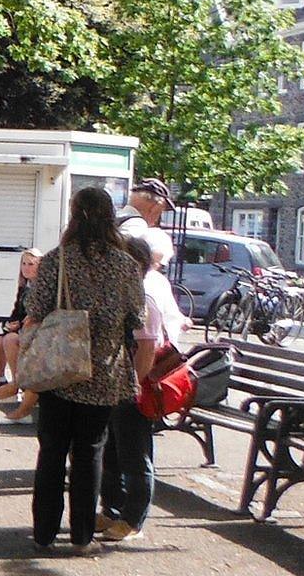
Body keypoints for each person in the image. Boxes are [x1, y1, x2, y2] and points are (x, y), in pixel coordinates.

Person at [25, 184, 146, 553]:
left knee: (52, 452)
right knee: (90, 453)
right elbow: (136, 316)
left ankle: (44, 533)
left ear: (74, 215)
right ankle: (81, 537)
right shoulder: (126, 265)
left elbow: (36, 309)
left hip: (59, 370)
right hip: (102, 373)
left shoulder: (55, 260)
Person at [98, 235, 187, 542]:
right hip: (115, 382)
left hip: (132, 387)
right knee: (111, 450)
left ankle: (133, 518)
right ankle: (111, 510)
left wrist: (132, 388)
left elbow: (147, 348)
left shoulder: (143, 297)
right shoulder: (125, 292)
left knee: (134, 454)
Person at [0, 249, 43, 415]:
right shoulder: (24, 287)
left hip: (36, 333)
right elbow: (16, 313)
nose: (26, 268)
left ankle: (19, 384)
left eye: (30, 264)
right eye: (23, 264)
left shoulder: (43, 287)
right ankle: (0, 380)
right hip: (22, 329)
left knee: (10, 340)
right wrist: (10, 325)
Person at [117, 177, 175, 272]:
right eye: (160, 212)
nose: (156, 220)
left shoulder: (117, 216)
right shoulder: (137, 224)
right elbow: (125, 258)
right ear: (155, 207)